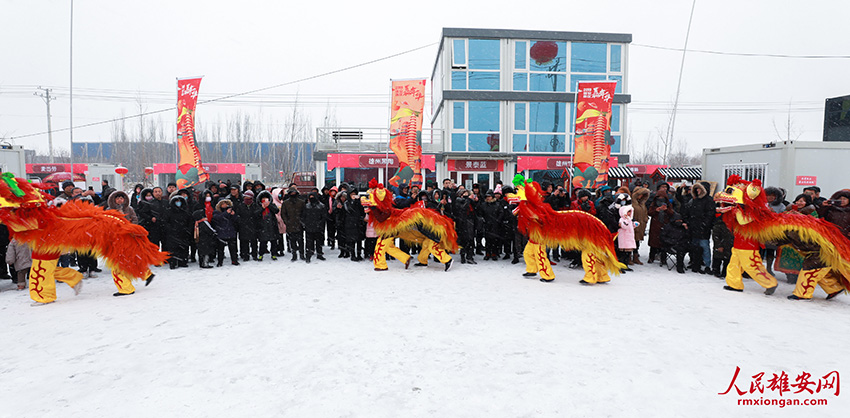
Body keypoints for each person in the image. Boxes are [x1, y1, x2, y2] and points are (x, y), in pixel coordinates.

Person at [681, 182, 714, 274]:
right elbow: (688, 211)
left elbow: (710, 214)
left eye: (699, 189)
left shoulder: (709, 200)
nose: (697, 191)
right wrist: (688, 222)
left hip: (703, 228)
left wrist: (704, 224)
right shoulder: (694, 200)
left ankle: (707, 265)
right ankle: (696, 262)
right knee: (694, 246)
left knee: (704, 247)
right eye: (696, 189)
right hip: (693, 227)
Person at [164, 194, 193, 269]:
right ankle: (173, 262)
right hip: (172, 234)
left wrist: (187, 230)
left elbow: (190, 222)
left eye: (180, 201)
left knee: (184, 248)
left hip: (184, 233)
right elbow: (166, 222)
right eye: (176, 201)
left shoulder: (185, 212)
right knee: (173, 249)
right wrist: (171, 229)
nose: (178, 203)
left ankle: (183, 262)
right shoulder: (169, 212)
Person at [648, 190, 675, 265]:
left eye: (662, 197)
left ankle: (663, 259)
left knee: (663, 243)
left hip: (665, 225)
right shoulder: (653, 204)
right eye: (659, 197)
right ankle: (651, 257)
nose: (661, 198)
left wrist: (666, 210)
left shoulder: (668, 204)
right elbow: (649, 212)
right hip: (655, 225)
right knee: (653, 243)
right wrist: (656, 210)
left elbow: (672, 213)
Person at [281, 188, 306, 262]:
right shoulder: (285, 203)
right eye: (291, 193)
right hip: (290, 225)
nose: (293, 194)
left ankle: (302, 254)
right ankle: (294, 255)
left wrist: (302, 221)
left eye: (294, 192)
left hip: (299, 224)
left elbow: (304, 213)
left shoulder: (301, 202)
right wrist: (287, 222)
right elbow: (283, 214)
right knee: (292, 241)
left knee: (301, 240)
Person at [212, 199, 239, 266]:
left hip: (231, 232)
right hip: (221, 232)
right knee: (220, 250)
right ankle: (220, 262)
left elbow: (236, 221)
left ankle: (234, 260)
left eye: (226, 204)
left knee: (233, 248)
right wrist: (226, 213)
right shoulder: (216, 212)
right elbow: (218, 218)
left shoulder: (231, 211)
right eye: (223, 204)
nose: (224, 205)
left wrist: (234, 215)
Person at [254, 190, 280, 261]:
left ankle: (274, 254)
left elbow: (276, 211)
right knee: (263, 242)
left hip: (272, 226)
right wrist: (262, 208)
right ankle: (261, 255)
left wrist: (270, 205)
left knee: (274, 242)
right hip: (262, 227)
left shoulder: (272, 205)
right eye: (263, 199)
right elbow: (255, 214)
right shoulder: (258, 206)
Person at [235, 190, 259, 261]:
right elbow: (238, 215)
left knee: (254, 242)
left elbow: (257, 215)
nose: (247, 199)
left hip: (253, 226)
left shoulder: (255, 205)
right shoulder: (240, 206)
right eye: (245, 197)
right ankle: (245, 255)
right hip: (243, 226)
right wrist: (241, 222)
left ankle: (254, 254)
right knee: (244, 242)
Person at [303, 191, 326, 263]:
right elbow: (303, 217)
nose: (311, 199)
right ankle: (308, 255)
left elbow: (324, 217)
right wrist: (305, 224)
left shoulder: (321, 206)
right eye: (310, 197)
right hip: (309, 227)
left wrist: (320, 224)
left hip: (318, 227)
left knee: (319, 242)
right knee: (309, 243)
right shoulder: (307, 206)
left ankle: (319, 254)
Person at [630, 186, 650, 265]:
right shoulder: (632, 203)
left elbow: (645, 213)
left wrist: (645, 220)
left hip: (641, 226)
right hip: (633, 225)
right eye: (640, 194)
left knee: (637, 242)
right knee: (630, 241)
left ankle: (635, 257)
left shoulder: (642, 204)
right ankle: (629, 257)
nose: (641, 196)